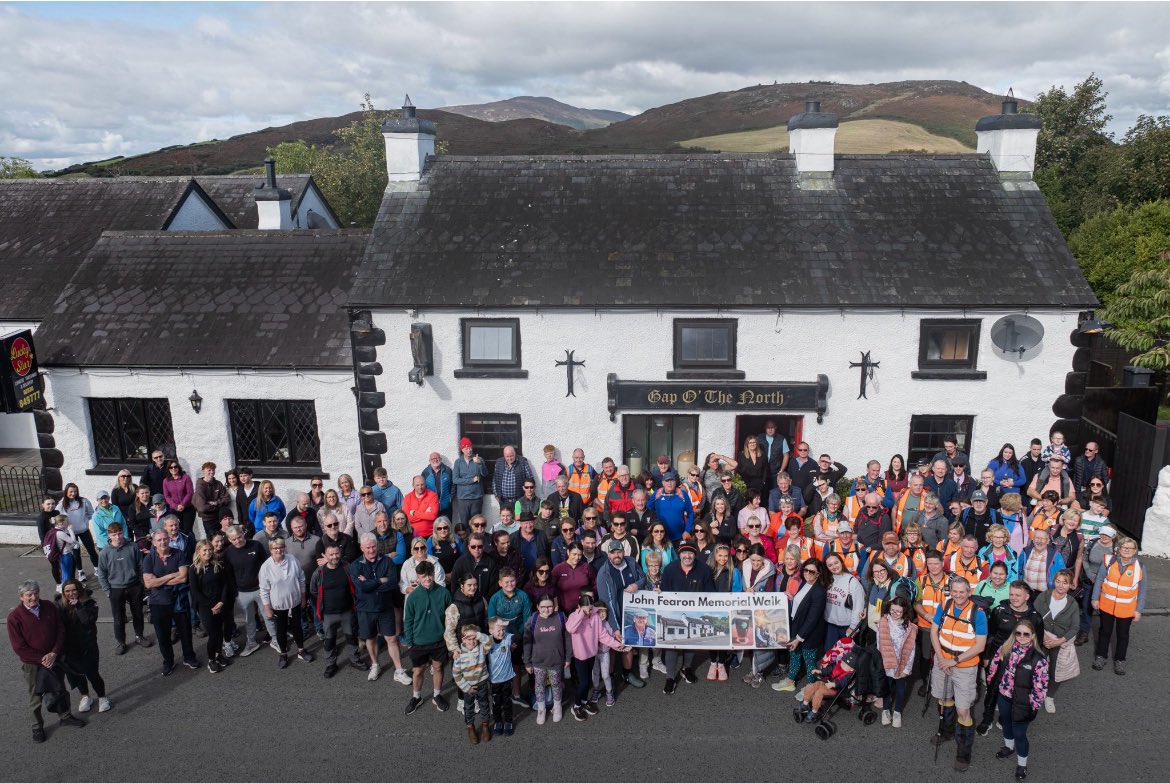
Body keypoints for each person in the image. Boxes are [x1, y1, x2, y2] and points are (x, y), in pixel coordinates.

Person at [7, 579, 88, 741]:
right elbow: (19, 647)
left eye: (35, 593)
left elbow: (60, 630)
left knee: (60, 689)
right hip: (33, 664)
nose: (33, 597)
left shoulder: (49, 607)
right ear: (21, 597)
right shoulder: (14, 618)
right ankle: (37, 727)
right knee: (35, 696)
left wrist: (54, 653)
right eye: (29, 595)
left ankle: (65, 716)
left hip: (54, 658)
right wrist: (41, 659)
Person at [930, 577, 988, 772]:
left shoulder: (978, 614)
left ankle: (964, 751)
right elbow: (933, 632)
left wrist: (953, 661)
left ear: (968, 592)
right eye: (954, 591)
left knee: (963, 710)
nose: (958, 595)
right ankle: (946, 731)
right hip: (942, 661)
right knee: (943, 697)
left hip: (965, 666)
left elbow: (980, 646)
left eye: (962, 591)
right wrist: (941, 658)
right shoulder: (944, 605)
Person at [977, 580, 1044, 736]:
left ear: (1027, 596)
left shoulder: (1035, 618)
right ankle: (987, 719)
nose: (1014, 598)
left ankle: (1003, 718)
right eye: (1011, 594)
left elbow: (1038, 644)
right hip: (998, 660)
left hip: (1021, 664)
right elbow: (990, 635)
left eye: (1018, 595)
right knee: (992, 690)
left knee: (1014, 692)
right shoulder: (999, 611)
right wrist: (987, 656)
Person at [986, 619, 1049, 781]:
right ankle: (1008, 747)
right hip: (1004, 696)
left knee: (1020, 734)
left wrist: (1033, 706)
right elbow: (993, 668)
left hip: (1023, 703)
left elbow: (1040, 687)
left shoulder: (1039, 658)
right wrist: (991, 684)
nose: (1021, 637)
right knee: (1006, 723)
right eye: (1018, 633)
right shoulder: (1005, 649)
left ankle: (1022, 764)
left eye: (1026, 634)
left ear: (1033, 636)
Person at [350, 532, 411, 684]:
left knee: (391, 638)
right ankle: (375, 665)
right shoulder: (355, 565)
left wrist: (371, 583)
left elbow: (391, 583)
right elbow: (361, 587)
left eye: (373, 546)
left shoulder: (387, 561)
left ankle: (399, 670)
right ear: (362, 548)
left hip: (385, 606)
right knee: (370, 639)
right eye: (368, 547)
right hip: (366, 609)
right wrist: (379, 581)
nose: (371, 550)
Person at [142, 530, 197, 676]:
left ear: (168, 540)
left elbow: (183, 578)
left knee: (185, 631)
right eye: (159, 540)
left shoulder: (179, 554)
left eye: (165, 539)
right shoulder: (149, 559)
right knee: (163, 635)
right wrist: (172, 575)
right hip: (158, 603)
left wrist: (159, 580)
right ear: (154, 542)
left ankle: (189, 657)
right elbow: (148, 584)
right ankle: (168, 661)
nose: (162, 542)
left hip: (179, 599)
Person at [401, 560, 453, 715]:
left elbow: (451, 618)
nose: (427, 579)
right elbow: (408, 621)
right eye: (423, 576)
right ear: (418, 576)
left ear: (433, 574)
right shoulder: (413, 597)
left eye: (429, 575)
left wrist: (449, 640)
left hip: (439, 641)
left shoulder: (444, 593)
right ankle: (417, 697)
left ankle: (437, 694)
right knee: (418, 671)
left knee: (438, 667)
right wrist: (410, 642)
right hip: (418, 642)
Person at [565, 593, 626, 720]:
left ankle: (583, 702)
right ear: (579, 607)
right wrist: (581, 614)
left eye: (590, 609)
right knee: (584, 682)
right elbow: (570, 628)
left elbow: (603, 635)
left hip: (591, 653)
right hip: (580, 656)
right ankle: (575, 706)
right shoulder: (574, 616)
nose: (588, 612)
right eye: (585, 609)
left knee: (588, 682)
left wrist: (619, 645)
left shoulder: (595, 617)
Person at [772, 558, 829, 692]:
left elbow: (812, 619)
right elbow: (802, 603)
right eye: (806, 570)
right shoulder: (804, 583)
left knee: (809, 661)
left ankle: (810, 688)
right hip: (796, 625)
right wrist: (792, 597)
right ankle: (790, 681)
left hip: (810, 632)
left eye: (812, 572)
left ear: (818, 574)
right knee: (794, 655)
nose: (808, 573)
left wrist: (799, 638)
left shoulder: (819, 591)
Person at [1091, 535, 1145, 675]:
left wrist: (1139, 610)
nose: (1126, 550)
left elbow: (1143, 590)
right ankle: (1101, 656)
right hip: (1106, 604)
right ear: (1118, 549)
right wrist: (1095, 598)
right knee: (1104, 632)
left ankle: (1120, 660)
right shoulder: (1108, 560)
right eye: (1124, 547)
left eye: (1130, 548)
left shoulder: (1140, 566)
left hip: (1127, 608)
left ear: (1135, 551)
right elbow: (1099, 580)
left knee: (1123, 635)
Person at [310, 543, 364, 678]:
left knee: (351, 638)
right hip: (328, 614)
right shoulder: (319, 572)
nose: (335, 556)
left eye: (337, 553)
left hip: (347, 611)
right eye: (331, 554)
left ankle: (354, 660)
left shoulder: (347, 568)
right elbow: (313, 590)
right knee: (329, 640)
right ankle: (330, 664)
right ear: (325, 556)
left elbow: (356, 586)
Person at [56, 580, 110, 714]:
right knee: (77, 675)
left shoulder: (89, 603)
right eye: (67, 591)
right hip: (70, 648)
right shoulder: (60, 605)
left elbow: (87, 621)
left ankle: (102, 697)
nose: (71, 593)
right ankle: (85, 696)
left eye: (73, 590)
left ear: (79, 590)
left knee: (92, 674)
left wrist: (79, 606)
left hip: (88, 646)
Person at [96, 523, 150, 654]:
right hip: (115, 589)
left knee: (137, 614)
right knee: (118, 618)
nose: (117, 537)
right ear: (109, 535)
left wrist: (142, 584)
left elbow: (140, 566)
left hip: (134, 586)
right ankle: (121, 642)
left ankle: (139, 636)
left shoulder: (133, 547)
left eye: (119, 533)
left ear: (123, 532)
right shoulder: (105, 553)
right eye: (114, 534)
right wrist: (107, 591)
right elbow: (102, 573)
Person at [1032, 569, 1079, 713]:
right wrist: (1043, 636)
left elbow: (1075, 627)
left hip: (1059, 641)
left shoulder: (1073, 603)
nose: (1060, 585)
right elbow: (1033, 616)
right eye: (1058, 581)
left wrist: (1059, 642)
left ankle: (1050, 696)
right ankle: (1034, 692)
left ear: (1071, 585)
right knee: (1033, 666)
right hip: (1041, 638)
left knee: (1056, 671)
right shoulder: (1043, 596)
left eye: (1065, 583)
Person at [224, 525, 273, 656]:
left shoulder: (256, 545)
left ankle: (276, 640)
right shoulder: (228, 552)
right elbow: (229, 575)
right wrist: (235, 593)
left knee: (268, 615)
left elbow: (267, 565)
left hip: (261, 589)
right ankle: (251, 643)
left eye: (239, 537)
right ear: (229, 539)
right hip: (242, 592)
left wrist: (269, 586)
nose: (237, 541)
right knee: (249, 620)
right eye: (233, 539)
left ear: (243, 533)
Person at [486, 567, 532, 706]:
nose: (510, 584)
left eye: (512, 581)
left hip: (518, 635)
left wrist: (516, 639)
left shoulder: (523, 596)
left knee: (516, 665)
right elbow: (492, 621)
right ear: (500, 583)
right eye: (506, 582)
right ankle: (497, 694)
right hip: (500, 636)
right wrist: (503, 639)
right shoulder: (495, 598)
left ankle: (516, 694)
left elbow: (527, 620)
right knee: (497, 665)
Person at [189, 540, 234, 674]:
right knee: (213, 634)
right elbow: (195, 592)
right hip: (205, 606)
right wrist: (212, 606)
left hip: (220, 603)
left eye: (209, 550)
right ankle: (211, 660)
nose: (208, 552)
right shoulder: (194, 569)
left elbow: (225, 584)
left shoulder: (217, 564)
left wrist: (221, 602)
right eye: (204, 550)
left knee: (220, 632)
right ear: (198, 552)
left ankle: (219, 655)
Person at [524, 595, 571, 724]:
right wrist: (527, 662)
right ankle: (541, 709)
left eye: (549, 606)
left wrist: (568, 658)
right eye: (543, 607)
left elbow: (567, 639)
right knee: (539, 686)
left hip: (556, 660)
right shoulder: (533, 620)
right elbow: (527, 642)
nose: (546, 609)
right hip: (538, 661)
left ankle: (557, 707)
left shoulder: (561, 617)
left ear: (554, 607)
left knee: (556, 685)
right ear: (537, 607)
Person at [877, 594, 917, 728]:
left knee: (900, 690)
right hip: (886, 663)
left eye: (899, 611)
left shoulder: (909, 627)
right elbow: (879, 644)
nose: (895, 614)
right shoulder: (883, 622)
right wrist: (881, 661)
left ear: (905, 611)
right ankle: (885, 710)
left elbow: (912, 649)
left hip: (902, 663)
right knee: (886, 688)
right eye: (892, 610)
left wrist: (907, 668)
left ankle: (898, 712)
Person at [452, 623, 494, 744]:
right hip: (468, 687)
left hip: (482, 683)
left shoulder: (482, 648)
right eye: (468, 639)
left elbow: (490, 642)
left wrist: (478, 635)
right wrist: (466, 688)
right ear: (463, 639)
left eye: (474, 638)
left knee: (484, 704)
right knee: (469, 708)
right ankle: (470, 727)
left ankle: (485, 725)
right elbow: (456, 674)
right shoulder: (459, 654)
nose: (472, 641)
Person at [1076, 524, 1115, 645]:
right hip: (1090, 580)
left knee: (1106, 609)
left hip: (1107, 582)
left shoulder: (1116, 549)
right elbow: (1085, 559)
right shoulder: (1093, 543)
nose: (1104, 536)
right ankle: (1084, 632)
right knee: (1087, 606)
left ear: (1113, 536)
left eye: (1107, 535)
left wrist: (1101, 579)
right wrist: (1090, 575)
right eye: (1102, 533)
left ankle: (1104, 634)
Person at [824, 551, 865, 652]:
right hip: (830, 625)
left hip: (846, 627)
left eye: (836, 562)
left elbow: (858, 607)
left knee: (844, 659)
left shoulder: (852, 581)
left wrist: (853, 627)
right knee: (829, 655)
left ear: (841, 562)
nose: (834, 566)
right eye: (830, 565)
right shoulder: (826, 579)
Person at [56, 484, 98, 580]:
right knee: (76, 554)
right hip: (70, 533)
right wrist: (63, 526)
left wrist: (85, 521)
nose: (73, 493)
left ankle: (97, 569)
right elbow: (57, 517)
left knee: (91, 550)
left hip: (84, 531)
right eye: (71, 491)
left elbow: (91, 513)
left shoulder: (84, 501)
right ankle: (81, 572)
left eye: (75, 491)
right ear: (66, 492)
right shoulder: (61, 504)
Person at [486, 616, 520, 735]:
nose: (501, 632)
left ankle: (508, 722)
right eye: (498, 630)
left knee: (507, 702)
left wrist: (508, 625)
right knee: (496, 703)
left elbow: (518, 637)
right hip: (494, 680)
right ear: (490, 631)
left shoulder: (507, 638)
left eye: (503, 630)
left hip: (507, 678)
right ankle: (498, 721)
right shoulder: (488, 641)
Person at [551, 542, 595, 614]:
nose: (577, 557)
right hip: (563, 611)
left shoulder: (586, 567)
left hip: (584, 611)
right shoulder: (558, 569)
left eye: (580, 555)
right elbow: (551, 588)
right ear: (568, 552)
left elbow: (594, 584)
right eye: (574, 554)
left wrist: (590, 599)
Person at [1018, 528, 1066, 595]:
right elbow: (1018, 570)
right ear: (1033, 539)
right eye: (1037, 538)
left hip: (1045, 595)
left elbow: (1063, 574)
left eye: (1042, 538)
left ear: (1048, 541)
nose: (1039, 541)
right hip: (1026, 593)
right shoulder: (1025, 552)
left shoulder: (1055, 555)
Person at [192, 462, 230, 541]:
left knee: (224, 539)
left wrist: (216, 503)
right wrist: (219, 505)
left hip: (220, 518)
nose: (212, 472)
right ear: (203, 471)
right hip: (208, 519)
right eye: (209, 470)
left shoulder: (218, 484)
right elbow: (202, 508)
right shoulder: (200, 486)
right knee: (213, 540)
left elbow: (227, 499)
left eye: (213, 470)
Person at [494, 445, 535, 511]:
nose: (509, 458)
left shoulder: (522, 461)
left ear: (515, 454)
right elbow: (495, 480)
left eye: (511, 456)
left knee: (519, 519)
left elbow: (530, 479)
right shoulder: (499, 462)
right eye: (507, 456)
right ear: (504, 455)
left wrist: (528, 494)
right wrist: (496, 495)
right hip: (503, 500)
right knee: (506, 519)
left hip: (519, 499)